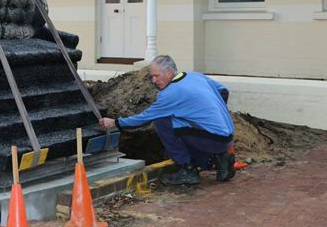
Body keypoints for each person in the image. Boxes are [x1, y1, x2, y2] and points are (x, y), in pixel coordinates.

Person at [100, 54, 235, 186]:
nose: (153, 81)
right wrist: (213, 115)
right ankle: (219, 158)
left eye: (156, 76)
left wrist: (115, 122)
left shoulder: (170, 93)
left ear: (170, 72)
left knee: (163, 121)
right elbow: (224, 91)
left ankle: (187, 170)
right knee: (181, 121)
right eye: (152, 76)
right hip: (227, 138)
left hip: (213, 141)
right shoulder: (195, 76)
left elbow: (144, 118)